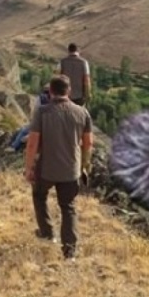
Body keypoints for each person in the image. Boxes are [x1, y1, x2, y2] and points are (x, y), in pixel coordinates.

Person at [24, 74, 93, 260]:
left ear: (51, 92)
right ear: (69, 91)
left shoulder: (42, 112)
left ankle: (47, 233)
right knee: (68, 207)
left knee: (39, 195)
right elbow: (88, 144)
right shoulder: (82, 113)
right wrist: (85, 166)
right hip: (71, 170)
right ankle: (69, 252)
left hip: (46, 168)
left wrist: (29, 168)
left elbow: (32, 144)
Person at [7, 85, 51, 152]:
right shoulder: (55, 100)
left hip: (40, 122)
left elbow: (36, 110)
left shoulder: (40, 98)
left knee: (23, 130)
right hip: (48, 124)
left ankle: (14, 146)